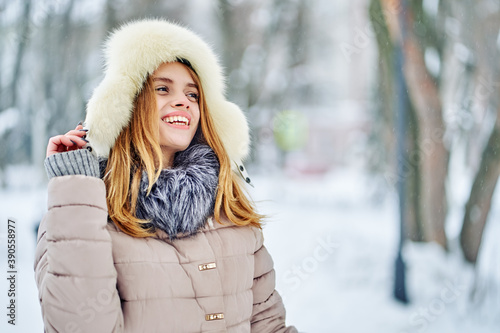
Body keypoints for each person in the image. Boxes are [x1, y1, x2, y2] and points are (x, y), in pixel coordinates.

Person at [34, 19, 297, 333]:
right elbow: (79, 325)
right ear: (126, 103)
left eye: (194, 94)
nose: (183, 101)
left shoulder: (227, 206)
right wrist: (75, 186)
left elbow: (268, 326)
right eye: (162, 88)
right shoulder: (84, 210)